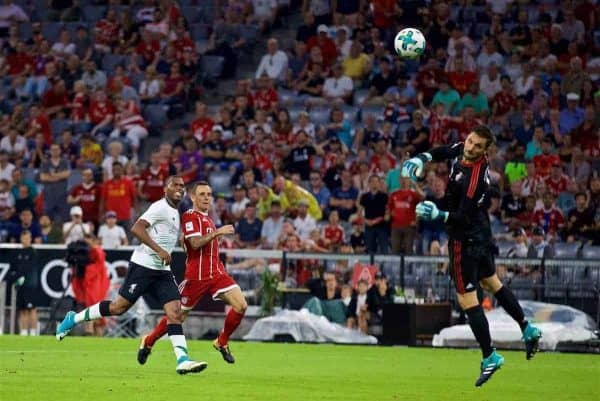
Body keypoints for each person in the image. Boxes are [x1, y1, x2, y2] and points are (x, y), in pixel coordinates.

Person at [401, 125, 542, 386]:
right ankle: (527, 327)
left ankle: (489, 355)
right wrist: (421, 157)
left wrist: (438, 215)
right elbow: (444, 150)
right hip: (481, 233)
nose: (470, 147)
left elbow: (462, 218)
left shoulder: (475, 178)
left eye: (478, 146)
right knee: (491, 282)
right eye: (470, 141)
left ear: (486, 151)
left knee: (467, 299)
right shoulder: (463, 152)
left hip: (464, 239)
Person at [55, 176, 208, 375]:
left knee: (175, 313)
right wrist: (160, 250)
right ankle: (72, 319)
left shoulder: (176, 212)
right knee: (118, 307)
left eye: (182, 186)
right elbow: (136, 228)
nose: (179, 188)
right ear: (165, 189)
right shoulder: (159, 207)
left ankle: (182, 360)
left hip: (162, 271)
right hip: (143, 266)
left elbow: (163, 235)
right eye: (175, 185)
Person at [137, 181, 246, 365]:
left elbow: (190, 244)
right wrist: (217, 233)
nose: (206, 198)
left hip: (217, 273)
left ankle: (222, 342)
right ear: (193, 197)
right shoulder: (190, 217)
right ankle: (148, 341)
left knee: (241, 306)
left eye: (209, 194)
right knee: (177, 317)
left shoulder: (208, 218)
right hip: (196, 277)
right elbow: (195, 243)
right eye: (202, 194)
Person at [14, 231, 40, 336]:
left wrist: (23, 276)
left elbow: (29, 268)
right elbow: (16, 268)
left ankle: (33, 331)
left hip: (30, 285)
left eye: (27, 238)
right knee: (22, 309)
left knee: (31, 309)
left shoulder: (33, 252)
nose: (25, 240)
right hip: (21, 286)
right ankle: (24, 331)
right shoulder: (19, 253)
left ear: (30, 239)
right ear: (21, 238)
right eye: (23, 237)